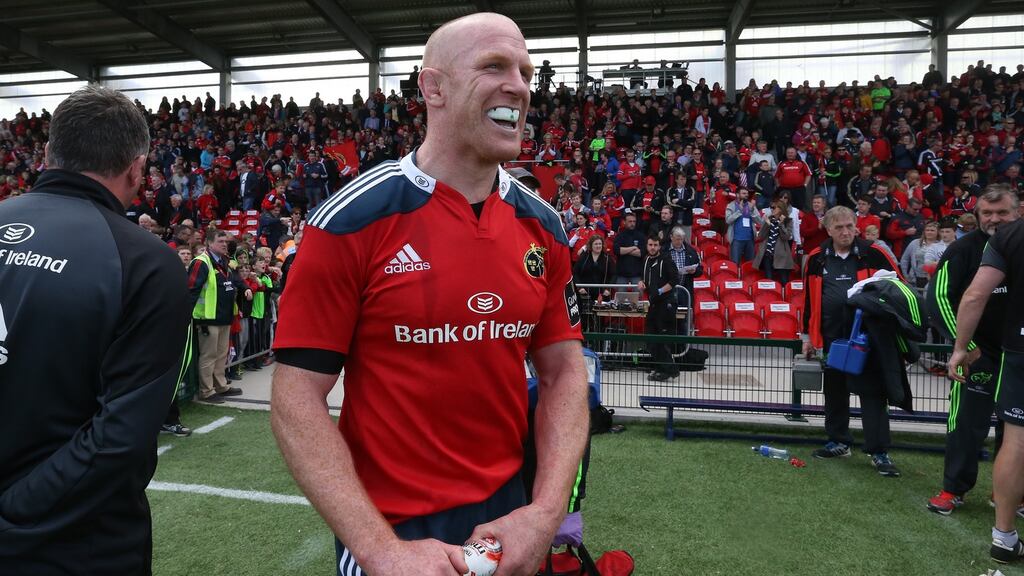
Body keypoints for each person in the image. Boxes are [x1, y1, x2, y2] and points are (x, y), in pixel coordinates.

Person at [270, 13, 589, 576]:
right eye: (494, 65)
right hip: (390, 531)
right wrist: (378, 549)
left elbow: (565, 373)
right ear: (432, 87)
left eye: (525, 70)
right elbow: (296, 399)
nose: (518, 84)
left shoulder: (544, 226)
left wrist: (544, 512)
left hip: (509, 523)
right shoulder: (350, 222)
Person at [0, 86, 190, 574]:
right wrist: (14, 513)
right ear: (137, 168)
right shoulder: (148, 263)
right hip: (71, 544)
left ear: (47, 154)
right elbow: (118, 440)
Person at [926, 186, 1020, 517]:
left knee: (1016, 429)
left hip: (1018, 354)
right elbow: (938, 299)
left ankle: (1008, 494)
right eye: (987, 213)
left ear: (1017, 212)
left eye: (1002, 213)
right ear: (977, 215)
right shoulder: (962, 250)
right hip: (979, 354)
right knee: (967, 422)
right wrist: (963, 344)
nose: (994, 219)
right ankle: (954, 488)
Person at [803, 206, 902, 476]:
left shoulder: (875, 252)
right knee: (835, 394)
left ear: (856, 226)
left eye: (849, 226)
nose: (845, 232)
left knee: (873, 396)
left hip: (869, 340)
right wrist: (807, 337)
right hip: (833, 340)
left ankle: (879, 451)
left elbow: (900, 288)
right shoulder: (816, 258)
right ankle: (838, 441)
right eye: (839, 227)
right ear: (828, 229)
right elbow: (809, 301)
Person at [949, 212, 1024, 564]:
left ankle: (1004, 537)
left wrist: (960, 347)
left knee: (1016, 440)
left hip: (1019, 350)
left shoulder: (1010, 236)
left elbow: (975, 295)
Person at [187, 230, 251, 403]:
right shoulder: (201, 262)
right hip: (208, 318)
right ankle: (206, 391)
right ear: (209, 243)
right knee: (209, 355)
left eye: (226, 241)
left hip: (224, 316)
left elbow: (236, 279)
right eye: (220, 241)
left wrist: (245, 287)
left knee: (221, 354)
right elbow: (191, 290)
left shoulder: (225, 260)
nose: (225, 244)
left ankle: (220, 385)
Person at [639, 235, 680, 382]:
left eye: (655, 245)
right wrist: (642, 283)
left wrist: (661, 291)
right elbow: (646, 279)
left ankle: (669, 370)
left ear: (659, 246)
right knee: (651, 337)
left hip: (666, 304)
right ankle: (659, 366)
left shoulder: (666, 260)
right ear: (647, 245)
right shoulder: (646, 260)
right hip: (653, 303)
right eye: (650, 245)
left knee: (662, 339)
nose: (652, 248)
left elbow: (675, 279)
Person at [754, 199, 795, 284]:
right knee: (769, 281)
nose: (772, 209)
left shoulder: (788, 221)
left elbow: (786, 237)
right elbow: (761, 235)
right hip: (768, 252)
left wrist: (781, 224)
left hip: (781, 255)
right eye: (771, 207)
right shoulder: (769, 219)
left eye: (774, 208)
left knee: (784, 281)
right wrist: (766, 224)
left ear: (780, 209)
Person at [725, 187, 761, 265]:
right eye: (744, 193)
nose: (746, 195)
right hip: (736, 239)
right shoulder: (731, 205)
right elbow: (728, 220)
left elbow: (759, 221)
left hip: (750, 239)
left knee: (750, 264)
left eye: (747, 193)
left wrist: (752, 211)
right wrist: (739, 211)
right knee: (735, 263)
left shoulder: (751, 205)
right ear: (737, 195)